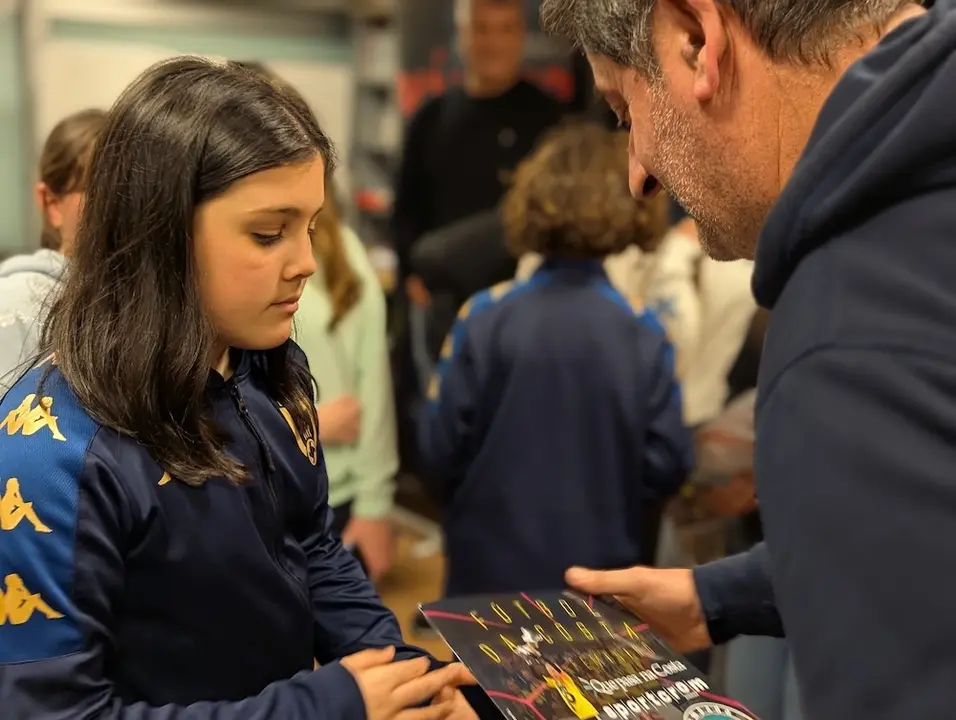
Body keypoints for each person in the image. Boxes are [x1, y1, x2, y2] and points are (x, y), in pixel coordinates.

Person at [0, 56, 477, 719]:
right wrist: (323, 706)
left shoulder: (274, 372)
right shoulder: (50, 456)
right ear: (160, 231)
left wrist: (401, 678)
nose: (306, 262)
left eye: (309, 226)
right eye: (267, 233)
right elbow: (57, 713)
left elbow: (309, 543)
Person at [539, 0, 956, 718]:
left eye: (623, 110)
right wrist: (720, 597)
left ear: (698, 41)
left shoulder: (845, 342)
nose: (637, 174)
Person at [418, 122, 693, 598]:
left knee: (479, 677)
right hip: (598, 581)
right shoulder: (642, 331)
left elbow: (438, 449)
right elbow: (669, 461)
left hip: (485, 581)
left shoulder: (485, 318)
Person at [391, 0, 563, 389]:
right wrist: (411, 274)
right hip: (443, 310)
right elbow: (404, 211)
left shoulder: (551, 121)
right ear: (462, 35)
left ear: (521, 36)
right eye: (482, 29)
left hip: (526, 311)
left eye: (505, 30)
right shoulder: (430, 119)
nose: (493, 42)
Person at [293, 186, 399, 584]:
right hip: (252, 499)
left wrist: (376, 504)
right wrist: (308, 424)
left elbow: (373, 387)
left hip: (336, 495)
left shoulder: (346, 248)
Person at [0, 109, 106, 392]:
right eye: (97, 191)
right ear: (51, 203)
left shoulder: (147, 302)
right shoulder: (14, 303)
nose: (117, 207)